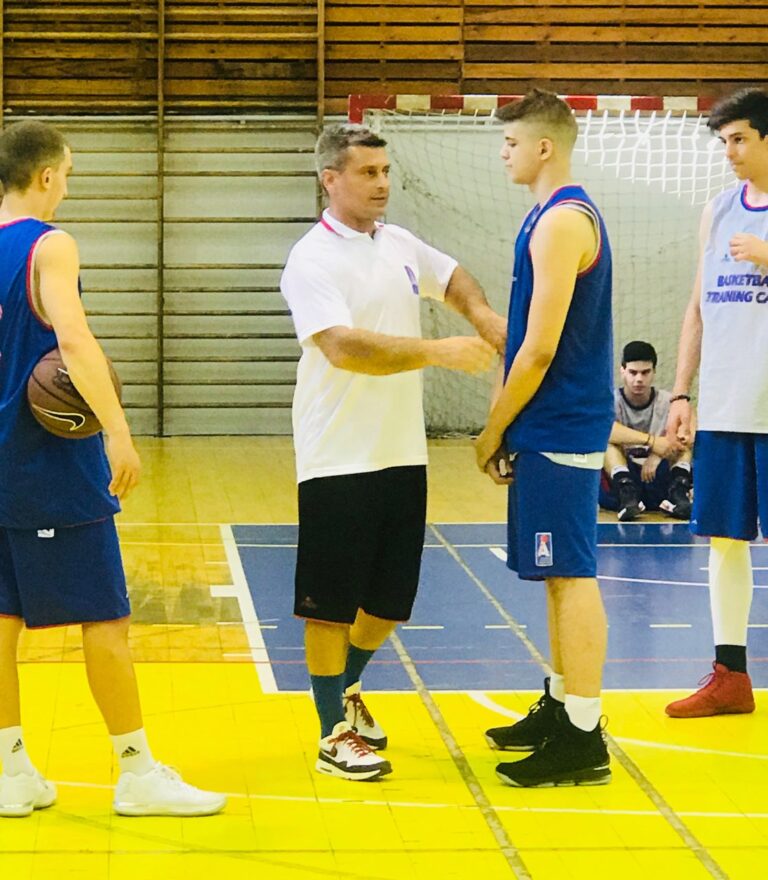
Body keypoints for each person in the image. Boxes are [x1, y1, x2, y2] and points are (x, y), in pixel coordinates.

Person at [0, 121, 225, 817]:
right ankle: (136, 774)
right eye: (66, 175)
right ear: (46, 175)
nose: (66, 189)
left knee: (2, 620)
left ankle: (10, 773)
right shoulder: (49, 244)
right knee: (106, 617)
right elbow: (74, 340)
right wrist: (119, 430)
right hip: (50, 467)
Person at [280, 122, 503, 781]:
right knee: (329, 605)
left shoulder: (399, 242)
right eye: (368, 173)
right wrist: (441, 351)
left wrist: (482, 316)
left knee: (388, 603)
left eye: (385, 172)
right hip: (337, 454)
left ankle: (345, 687)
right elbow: (343, 347)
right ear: (331, 179)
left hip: (401, 452)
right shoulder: (311, 260)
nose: (382, 184)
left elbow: (452, 277)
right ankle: (331, 734)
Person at [475, 90, 613, 787]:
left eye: (510, 142)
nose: (503, 153)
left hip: (561, 423)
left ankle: (584, 737)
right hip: (547, 424)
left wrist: (493, 427)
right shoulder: (544, 215)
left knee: (572, 576)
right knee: (557, 577)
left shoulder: (562, 223)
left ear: (544, 147)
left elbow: (538, 349)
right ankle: (563, 706)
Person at [664, 88, 768, 718]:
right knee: (725, 541)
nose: (728, 152)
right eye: (724, 141)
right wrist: (681, 391)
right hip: (729, 404)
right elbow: (698, 306)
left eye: (740, 139)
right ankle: (730, 676)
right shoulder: (718, 211)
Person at [600, 340, 692, 522]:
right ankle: (627, 495)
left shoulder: (668, 401)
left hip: (659, 474)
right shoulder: (612, 401)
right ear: (622, 371)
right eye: (633, 372)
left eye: (645, 372)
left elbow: (688, 432)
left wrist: (658, 454)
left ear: (654, 372)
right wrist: (652, 441)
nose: (639, 379)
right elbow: (603, 429)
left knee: (685, 444)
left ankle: (678, 494)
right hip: (626, 474)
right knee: (606, 443)